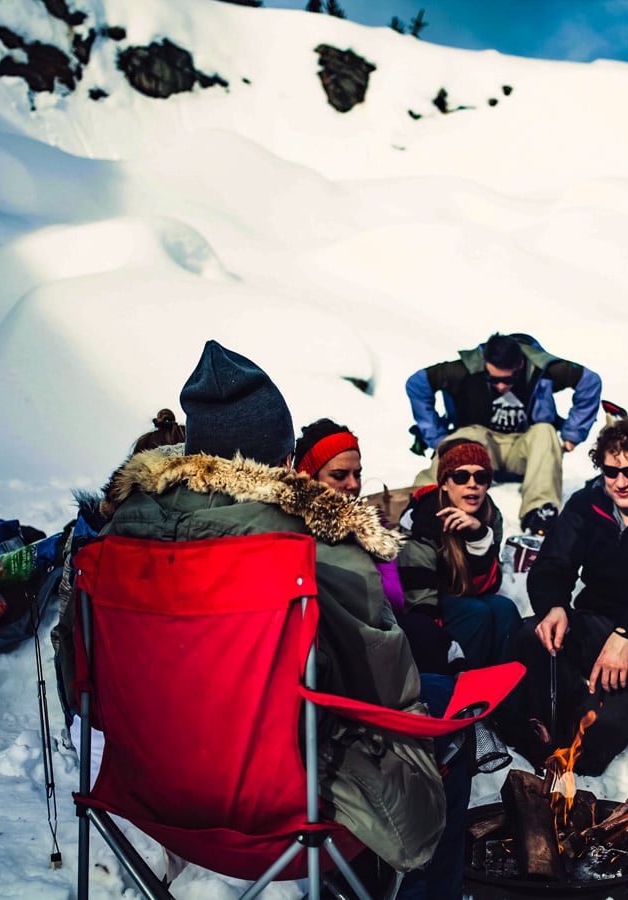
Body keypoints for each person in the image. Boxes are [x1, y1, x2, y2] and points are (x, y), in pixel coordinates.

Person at [93, 340, 446, 879]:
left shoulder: (117, 538)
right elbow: (386, 686)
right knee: (445, 723)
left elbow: (84, 685)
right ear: (285, 463)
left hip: (150, 794)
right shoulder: (307, 545)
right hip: (276, 811)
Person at [498, 416, 628, 776]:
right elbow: (554, 562)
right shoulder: (589, 502)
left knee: (600, 732)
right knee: (530, 634)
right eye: (611, 471)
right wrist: (553, 606)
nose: (620, 482)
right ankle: (542, 733)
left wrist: (627, 635)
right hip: (600, 615)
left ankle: (585, 746)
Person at [294, 418, 454, 675]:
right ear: (308, 478)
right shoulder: (291, 527)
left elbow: (393, 598)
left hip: (374, 631)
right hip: (324, 642)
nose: (354, 485)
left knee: (425, 631)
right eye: (339, 476)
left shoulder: (371, 527)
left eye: (357, 474)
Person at [406, 332, 602, 534]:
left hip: (524, 450)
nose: (501, 386)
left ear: (520, 366)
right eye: (494, 379)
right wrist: (437, 438)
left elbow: (590, 381)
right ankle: (423, 500)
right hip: (480, 448)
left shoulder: (541, 368)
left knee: (545, 431)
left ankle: (539, 512)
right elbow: (418, 384)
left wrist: (572, 435)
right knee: (466, 436)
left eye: (508, 379)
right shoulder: (464, 369)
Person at [397, 439, 522, 669]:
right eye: (461, 477)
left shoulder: (489, 515)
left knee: (505, 609)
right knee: (476, 613)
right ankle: (464, 690)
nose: (472, 485)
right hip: (427, 606)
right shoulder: (423, 520)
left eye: (481, 477)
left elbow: (490, 586)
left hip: (465, 597)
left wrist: (478, 535)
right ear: (444, 483)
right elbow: (419, 603)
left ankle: (506, 691)